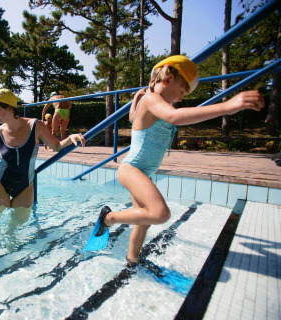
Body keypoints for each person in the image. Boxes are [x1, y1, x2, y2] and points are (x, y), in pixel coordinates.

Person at [93, 55, 265, 264]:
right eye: (182, 91)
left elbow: (132, 118)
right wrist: (228, 106)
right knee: (160, 213)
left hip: (140, 171)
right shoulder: (152, 99)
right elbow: (175, 117)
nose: (182, 97)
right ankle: (108, 218)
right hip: (131, 169)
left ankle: (132, 259)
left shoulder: (151, 102)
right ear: (167, 80)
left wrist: (136, 99)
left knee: (143, 220)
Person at [0, 88, 85, 222]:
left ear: (10, 109)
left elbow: (57, 146)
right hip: (1, 183)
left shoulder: (35, 126)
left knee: (15, 234)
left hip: (25, 187)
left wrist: (70, 138)